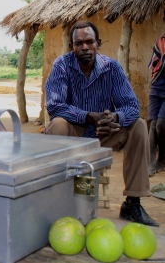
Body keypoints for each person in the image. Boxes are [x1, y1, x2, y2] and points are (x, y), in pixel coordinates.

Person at [44, 20, 158, 227]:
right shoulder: (62, 65)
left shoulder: (111, 68)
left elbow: (131, 105)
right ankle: (55, 198)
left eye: (89, 41)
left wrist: (114, 119)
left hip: (104, 133)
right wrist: (88, 116)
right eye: (79, 43)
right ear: (72, 47)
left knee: (138, 125)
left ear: (98, 43)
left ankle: (133, 203)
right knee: (58, 124)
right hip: (74, 133)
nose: (85, 47)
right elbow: (55, 106)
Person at [147, 32, 165, 177]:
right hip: (157, 85)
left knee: (161, 125)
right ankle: (150, 163)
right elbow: (155, 64)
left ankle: (162, 158)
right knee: (152, 124)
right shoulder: (160, 41)